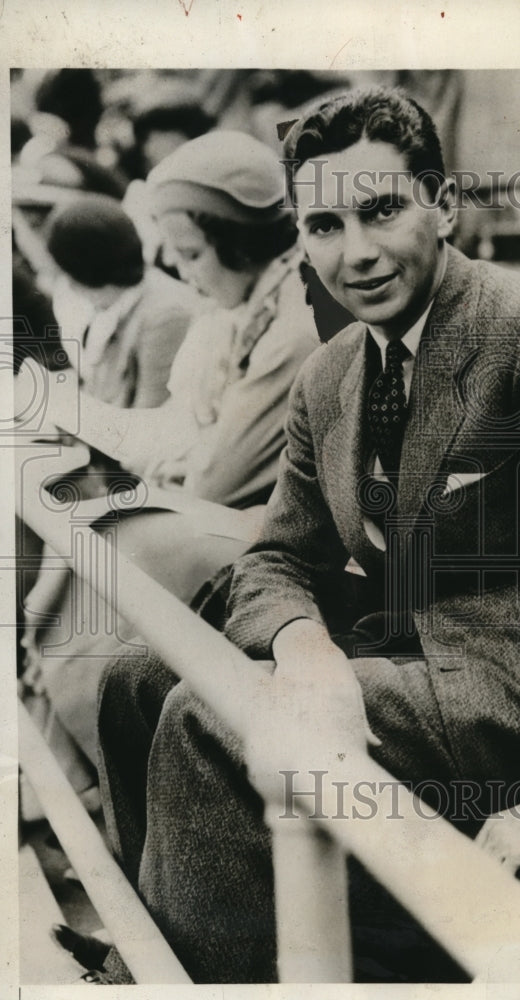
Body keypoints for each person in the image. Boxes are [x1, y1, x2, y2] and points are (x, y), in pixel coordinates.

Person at [91, 87, 520, 983]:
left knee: (208, 721)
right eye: (325, 224)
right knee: (136, 678)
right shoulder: (332, 372)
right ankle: (162, 957)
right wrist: (305, 654)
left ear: (443, 205)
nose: (356, 252)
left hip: (517, 697)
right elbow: (275, 557)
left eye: (381, 211)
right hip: (396, 667)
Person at [18, 130, 321, 789]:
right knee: (80, 546)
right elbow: (176, 437)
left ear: (238, 241)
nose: (182, 271)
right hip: (232, 520)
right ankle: (71, 774)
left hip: (289, 549)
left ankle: (79, 780)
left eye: (190, 253)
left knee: (105, 545)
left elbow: (216, 473)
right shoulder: (234, 307)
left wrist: (63, 411)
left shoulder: (295, 322)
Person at [47, 194, 203, 409]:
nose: (67, 284)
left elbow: (146, 422)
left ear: (83, 273)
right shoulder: (120, 303)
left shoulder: (165, 316)